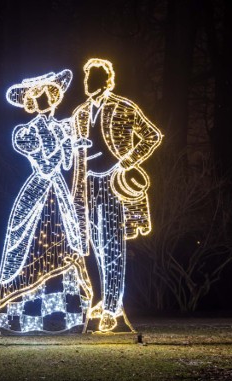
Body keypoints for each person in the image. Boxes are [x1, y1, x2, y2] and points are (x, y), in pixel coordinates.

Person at [0, 69, 93, 335]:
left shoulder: (61, 127)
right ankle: (17, 316)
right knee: (28, 245)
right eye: (40, 94)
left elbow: (67, 163)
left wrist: (75, 143)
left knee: (65, 245)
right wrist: (64, 140)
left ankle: (68, 315)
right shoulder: (26, 132)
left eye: (50, 92)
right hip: (38, 190)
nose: (47, 97)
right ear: (33, 101)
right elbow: (46, 165)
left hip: (58, 191)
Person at [71, 58, 163, 332]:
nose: (86, 83)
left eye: (91, 78)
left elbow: (152, 136)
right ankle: (103, 299)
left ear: (104, 80)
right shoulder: (80, 113)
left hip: (114, 183)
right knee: (96, 246)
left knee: (113, 245)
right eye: (86, 79)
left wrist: (126, 161)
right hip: (88, 184)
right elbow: (75, 155)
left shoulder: (122, 107)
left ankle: (112, 306)